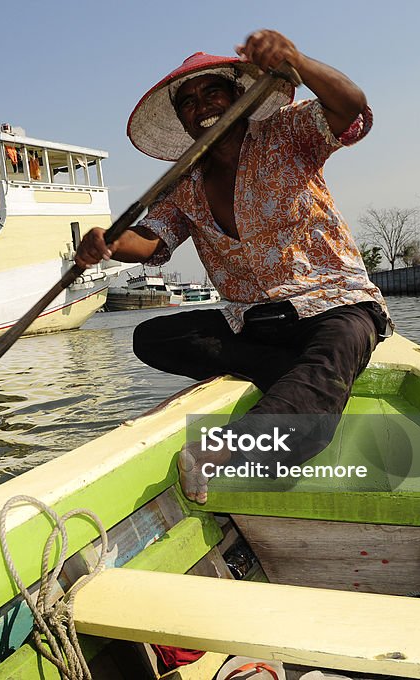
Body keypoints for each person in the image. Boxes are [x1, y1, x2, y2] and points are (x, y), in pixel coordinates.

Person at [74, 30, 393, 503]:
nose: (200, 105)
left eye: (212, 91)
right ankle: (291, 375)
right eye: (188, 101)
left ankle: (226, 450)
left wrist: (297, 60)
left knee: (343, 343)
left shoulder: (287, 132)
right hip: (253, 321)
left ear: (239, 95)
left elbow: (351, 106)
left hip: (331, 304)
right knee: (151, 337)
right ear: (183, 121)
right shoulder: (182, 183)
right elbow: (148, 242)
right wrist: (107, 243)